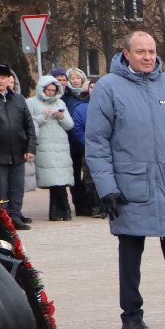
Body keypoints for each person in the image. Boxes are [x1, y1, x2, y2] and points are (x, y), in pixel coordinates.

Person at [84, 31, 165, 329]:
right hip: (129, 187)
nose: (147, 56)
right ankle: (131, 316)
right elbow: (97, 143)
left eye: (151, 51)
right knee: (130, 252)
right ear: (125, 53)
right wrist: (107, 188)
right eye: (140, 51)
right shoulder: (108, 88)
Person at [29, 75, 75, 221]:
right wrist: (44, 116)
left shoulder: (60, 102)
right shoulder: (31, 102)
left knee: (60, 179)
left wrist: (61, 116)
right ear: (42, 89)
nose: (51, 93)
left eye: (53, 90)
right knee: (53, 178)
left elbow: (70, 125)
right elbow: (30, 123)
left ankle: (57, 211)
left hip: (61, 145)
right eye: (48, 90)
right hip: (44, 144)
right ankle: (63, 209)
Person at [0, 65, 36, 229]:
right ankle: (3, 219)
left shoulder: (19, 100)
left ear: (8, 80)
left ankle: (15, 216)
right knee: (1, 189)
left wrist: (30, 148)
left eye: (3, 77)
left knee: (17, 188)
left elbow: (29, 126)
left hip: (18, 153)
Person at [62, 68, 98, 219]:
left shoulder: (85, 98)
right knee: (75, 177)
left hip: (86, 145)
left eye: (78, 78)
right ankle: (79, 205)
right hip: (72, 142)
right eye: (73, 78)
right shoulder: (66, 97)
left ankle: (89, 204)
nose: (75, 80)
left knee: (89, 176)